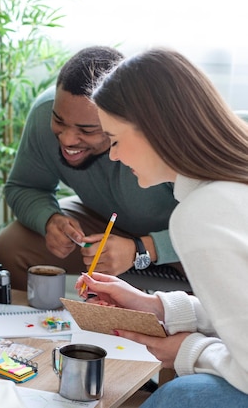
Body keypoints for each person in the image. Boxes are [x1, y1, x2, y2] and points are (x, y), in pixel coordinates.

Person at [77, 47, 248, 407]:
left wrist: (188, 350)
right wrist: (157, 308)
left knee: (181, 396)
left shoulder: (203, 213)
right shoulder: (232, 187)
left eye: (117, 139)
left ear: (156, 129)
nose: (113, 156)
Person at [0, 46, 182, 290]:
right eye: (59, 121)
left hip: (182, 239)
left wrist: (143, 248)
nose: (68, 139)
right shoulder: (44, 113)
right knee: (13, 245)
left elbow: (218, 228)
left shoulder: (168, 136)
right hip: (104, 223)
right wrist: (49, 220)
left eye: (87, 130)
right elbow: (24, 187)